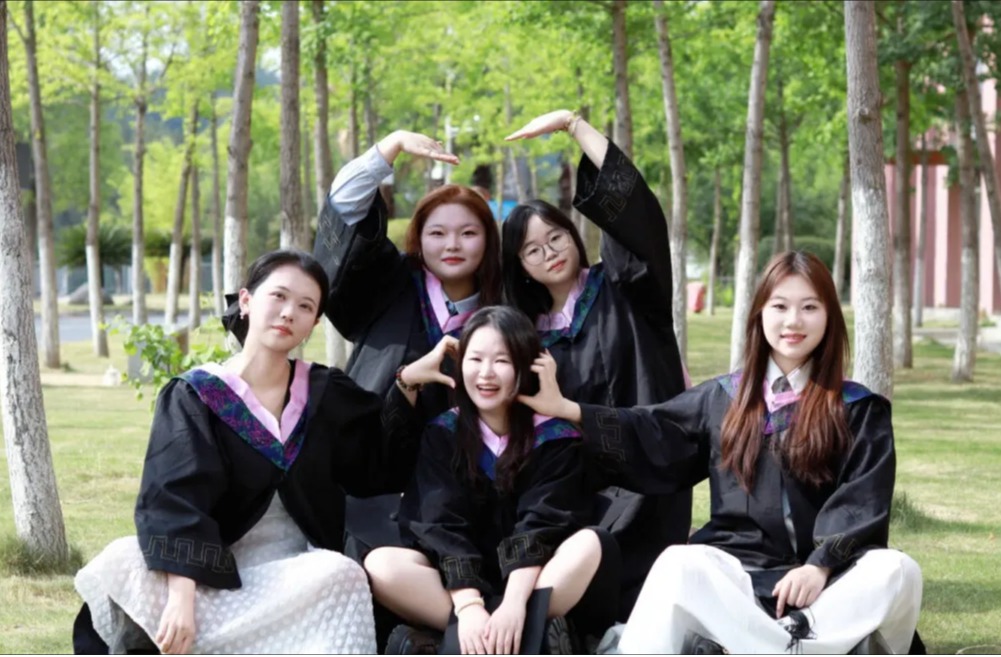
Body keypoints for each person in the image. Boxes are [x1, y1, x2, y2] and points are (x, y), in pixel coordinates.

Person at [521, 251, 924, 654]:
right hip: (740, 579)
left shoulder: (857, 409)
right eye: (780, 306)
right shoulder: (725, 399)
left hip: (826, 587)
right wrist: (568, 409)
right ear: (759, 314)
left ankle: (777, 640)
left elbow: (862, 499)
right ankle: (796, 644)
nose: (793, 321)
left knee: (898, 570)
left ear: (829, 317)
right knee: (679, 564)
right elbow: (654, 432)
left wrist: (820, 566)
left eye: (809, 307)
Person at [72, 250, 454, 655]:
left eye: (305, 306)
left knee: (340, 572)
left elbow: (379, 465)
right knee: (123, 558)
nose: (289, 313)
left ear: (314, 324)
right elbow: (174, 498)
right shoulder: (197, 395)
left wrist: (408, 382)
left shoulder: (323, 393)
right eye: (279, 296)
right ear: (247, 300)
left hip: (291, 574)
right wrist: (181, 598)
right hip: (208, 570)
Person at [502, 109, 690, 619]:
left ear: (573, 233)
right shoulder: (526, 333)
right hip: (575, 484)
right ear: (520, 267)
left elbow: (639, 216)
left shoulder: (626, 287)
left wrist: (574, 125)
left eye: (556, 237)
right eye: (532, 250)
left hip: (648, 467)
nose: (549, 253)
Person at [364, 306, 621, 655]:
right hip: (460, 588)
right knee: (381, 565)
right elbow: (441, 525)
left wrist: (514, 603)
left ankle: (465, 638)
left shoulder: (555, 437)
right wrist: (470, 606)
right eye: (475, 359)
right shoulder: (443, 433)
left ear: (525, 366)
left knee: (590, 544)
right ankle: (528, 634)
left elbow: (543, 523)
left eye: (502, 361)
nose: (486, 373)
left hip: (535, 582)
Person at [313, 130, 503, 567]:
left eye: (468, 233)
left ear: (488, 240)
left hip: (474, 498)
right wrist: (389, 148)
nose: (452, 245)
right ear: (418, 238)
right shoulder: (389, 283)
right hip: (372, 491)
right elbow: (344, 213)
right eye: (437, 233)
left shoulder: (508, 307)